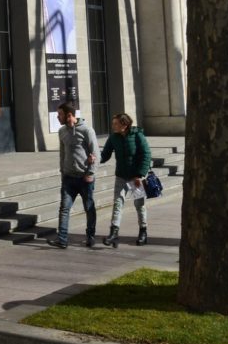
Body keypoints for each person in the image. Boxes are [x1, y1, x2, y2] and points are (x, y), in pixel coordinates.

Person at [46, 102, 98, 248]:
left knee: (89, 208)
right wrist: (62, 172)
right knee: (64, 208)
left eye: (60, 114)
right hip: (68, 178)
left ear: (69, 115)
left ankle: (90, 237)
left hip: (85, 177)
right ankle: (62, 240)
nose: (57, 117)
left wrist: (91, 173)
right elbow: (62, 154)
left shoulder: (87, 130)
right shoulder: (62, 131)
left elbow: (95, 153)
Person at [99, 112, 152, 247]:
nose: (113, 126)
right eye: (113, 123)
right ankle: (114, 232)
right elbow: (104, 155)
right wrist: (93, 159)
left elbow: (146, 154)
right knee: (118, 203)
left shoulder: (137, 135)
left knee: (139, 205)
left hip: (136, 178)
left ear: (125, 124)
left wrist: (140, 174)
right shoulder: (113, 138)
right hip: (121, 176)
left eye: (116, 123)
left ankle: (143, 232)